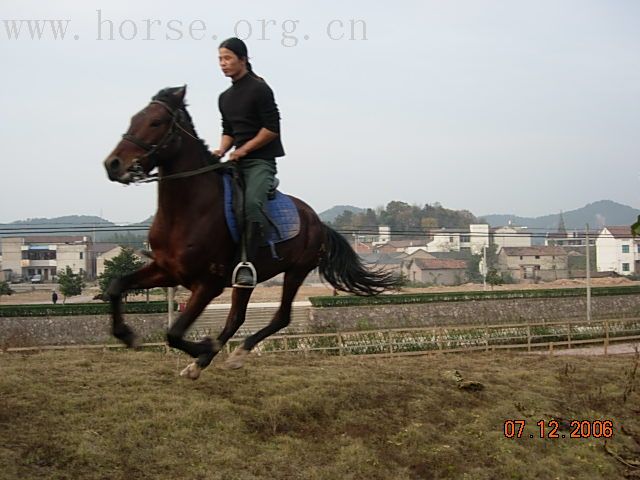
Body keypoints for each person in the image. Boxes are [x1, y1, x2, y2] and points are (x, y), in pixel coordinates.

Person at [213, 37, 285, 287]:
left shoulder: (259, 88)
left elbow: (271, 129)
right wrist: (221, 150)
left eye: (228, 58)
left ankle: (247, 264)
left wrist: (243, 150)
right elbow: (228, 130)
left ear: (243, 59)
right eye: (220, 59)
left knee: (252, 205)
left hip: (260, 162)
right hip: (235, 161)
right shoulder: (224, 97)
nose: (223, 64)